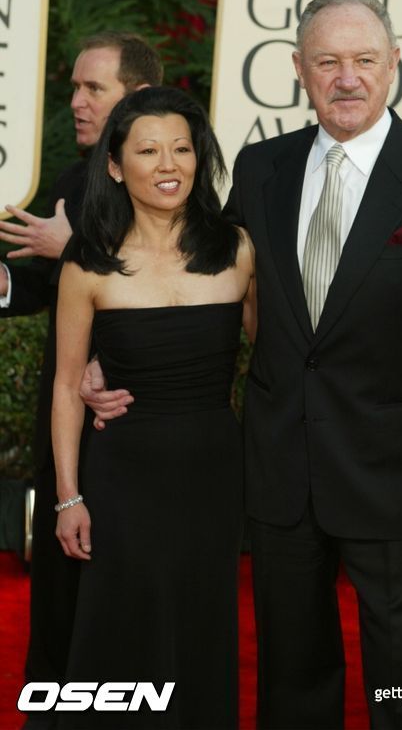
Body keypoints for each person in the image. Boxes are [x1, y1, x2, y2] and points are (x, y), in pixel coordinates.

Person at [82, 0, 402, 729]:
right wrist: (105, 352)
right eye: (328, 62)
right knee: (291, 678)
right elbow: (198, 272)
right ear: (299, 70)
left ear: (394, 65)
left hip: (397, 480)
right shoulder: (261, 168)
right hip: (280, 473)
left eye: (364, 60)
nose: (348, 78)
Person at [53, 85, 255, 730]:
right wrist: (67, 497)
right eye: (148, 151)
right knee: (121, 624)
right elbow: (66, 385)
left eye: (182, 149)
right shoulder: (89, 264)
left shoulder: (237, 250)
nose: (169, 165)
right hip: (122, 475)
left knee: (202, 623)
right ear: (115, 166)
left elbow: (284, 359)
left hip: (213, 474)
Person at [0, 32, 162, 711]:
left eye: (94, 87)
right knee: (58, 600)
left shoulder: (172, 188)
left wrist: (74, 250)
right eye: (74, 87)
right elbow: (39, 286)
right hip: (62, 426)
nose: (76, 101)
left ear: (139, 96)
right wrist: (5, 283)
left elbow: (177, 292)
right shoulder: (72, 180)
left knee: (120, 602)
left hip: (134, 426)